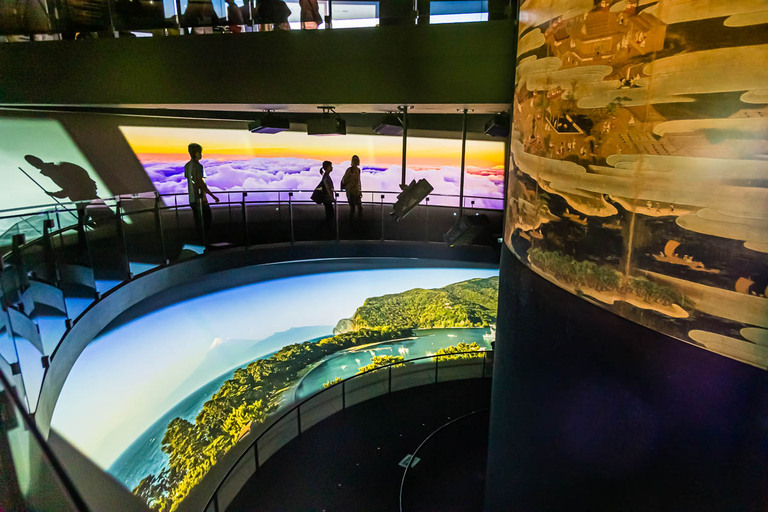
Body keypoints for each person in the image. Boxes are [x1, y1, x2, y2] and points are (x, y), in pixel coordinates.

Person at [184, 143, 219, 238]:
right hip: (200, 200)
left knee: (198, 222)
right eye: (200, 152)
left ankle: (200, 242)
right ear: (195, 153)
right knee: (207, 220)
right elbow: (200, 183)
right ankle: (206, 243)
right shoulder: (199, 167)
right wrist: (212, 196)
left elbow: (191, 181)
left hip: (192, 199)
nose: (201, 155)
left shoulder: (187, 166)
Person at [340, 154, 363, 218]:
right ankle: (352, 223)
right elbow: (344, 180)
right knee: (353, 208)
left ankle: (357, 222)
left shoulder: (358, 170)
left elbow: (358, 181)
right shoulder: (349, 170)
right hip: (351, 192)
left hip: (355, 191)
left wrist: (360, 191)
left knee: (359, 208)